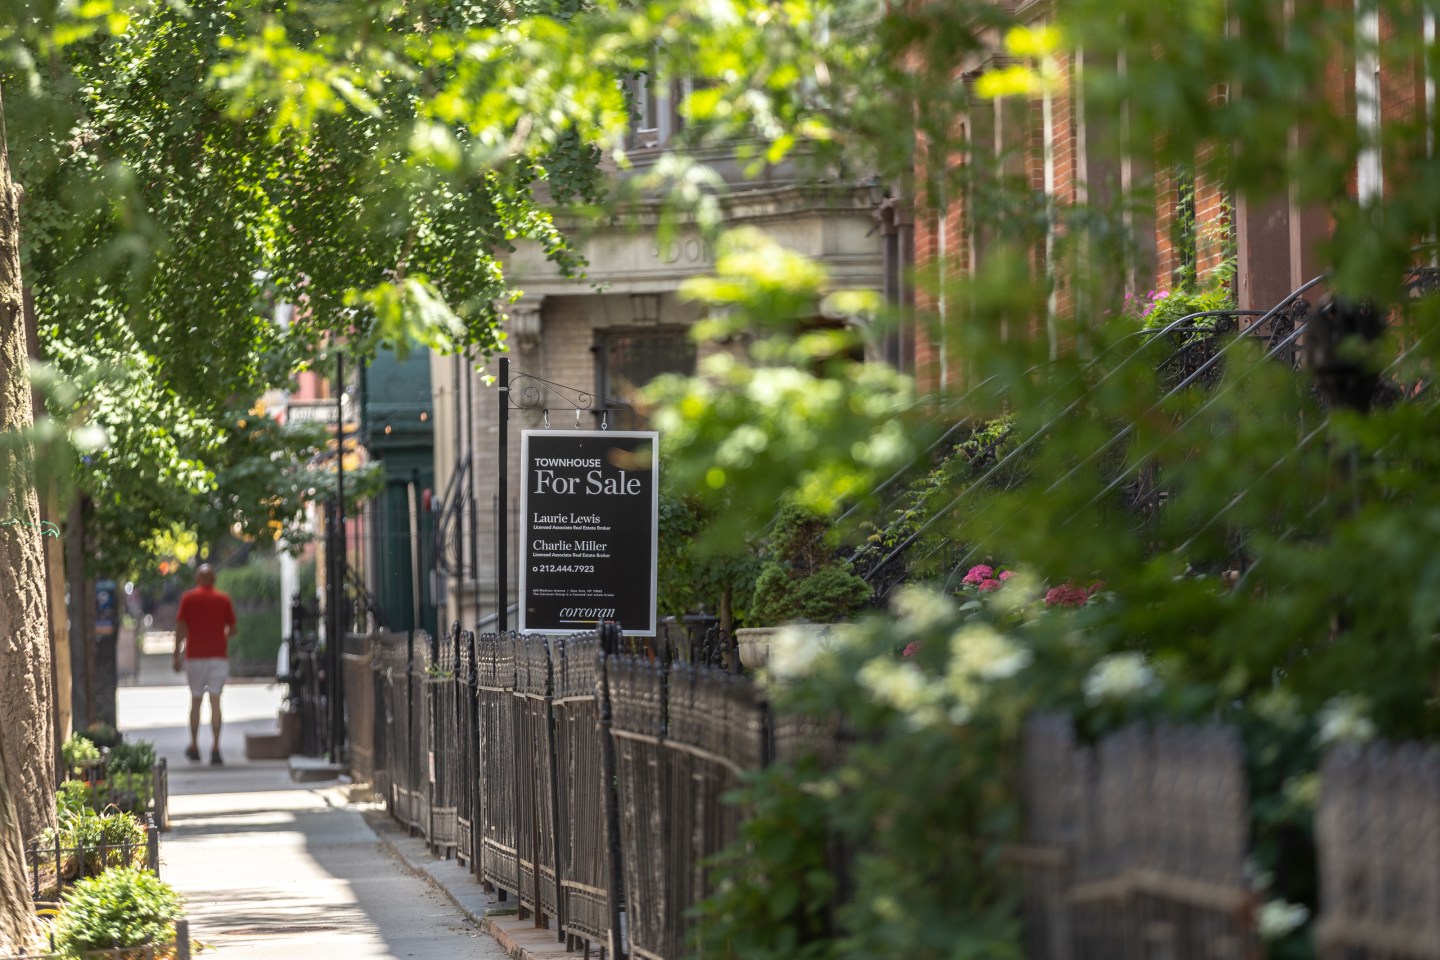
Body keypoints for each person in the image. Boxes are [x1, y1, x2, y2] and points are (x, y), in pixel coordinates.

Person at [173, 564, 237, 765]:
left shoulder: (188, 599)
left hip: (195, 657)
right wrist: (222, 638)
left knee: (196, 701)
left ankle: (194, 746)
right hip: (218, 656)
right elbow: (233, 629)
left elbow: (181, 628)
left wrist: (176, 654)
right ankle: (216, 748)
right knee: (216, 701)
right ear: (214, 579)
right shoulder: (223, 599)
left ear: (197, 579)